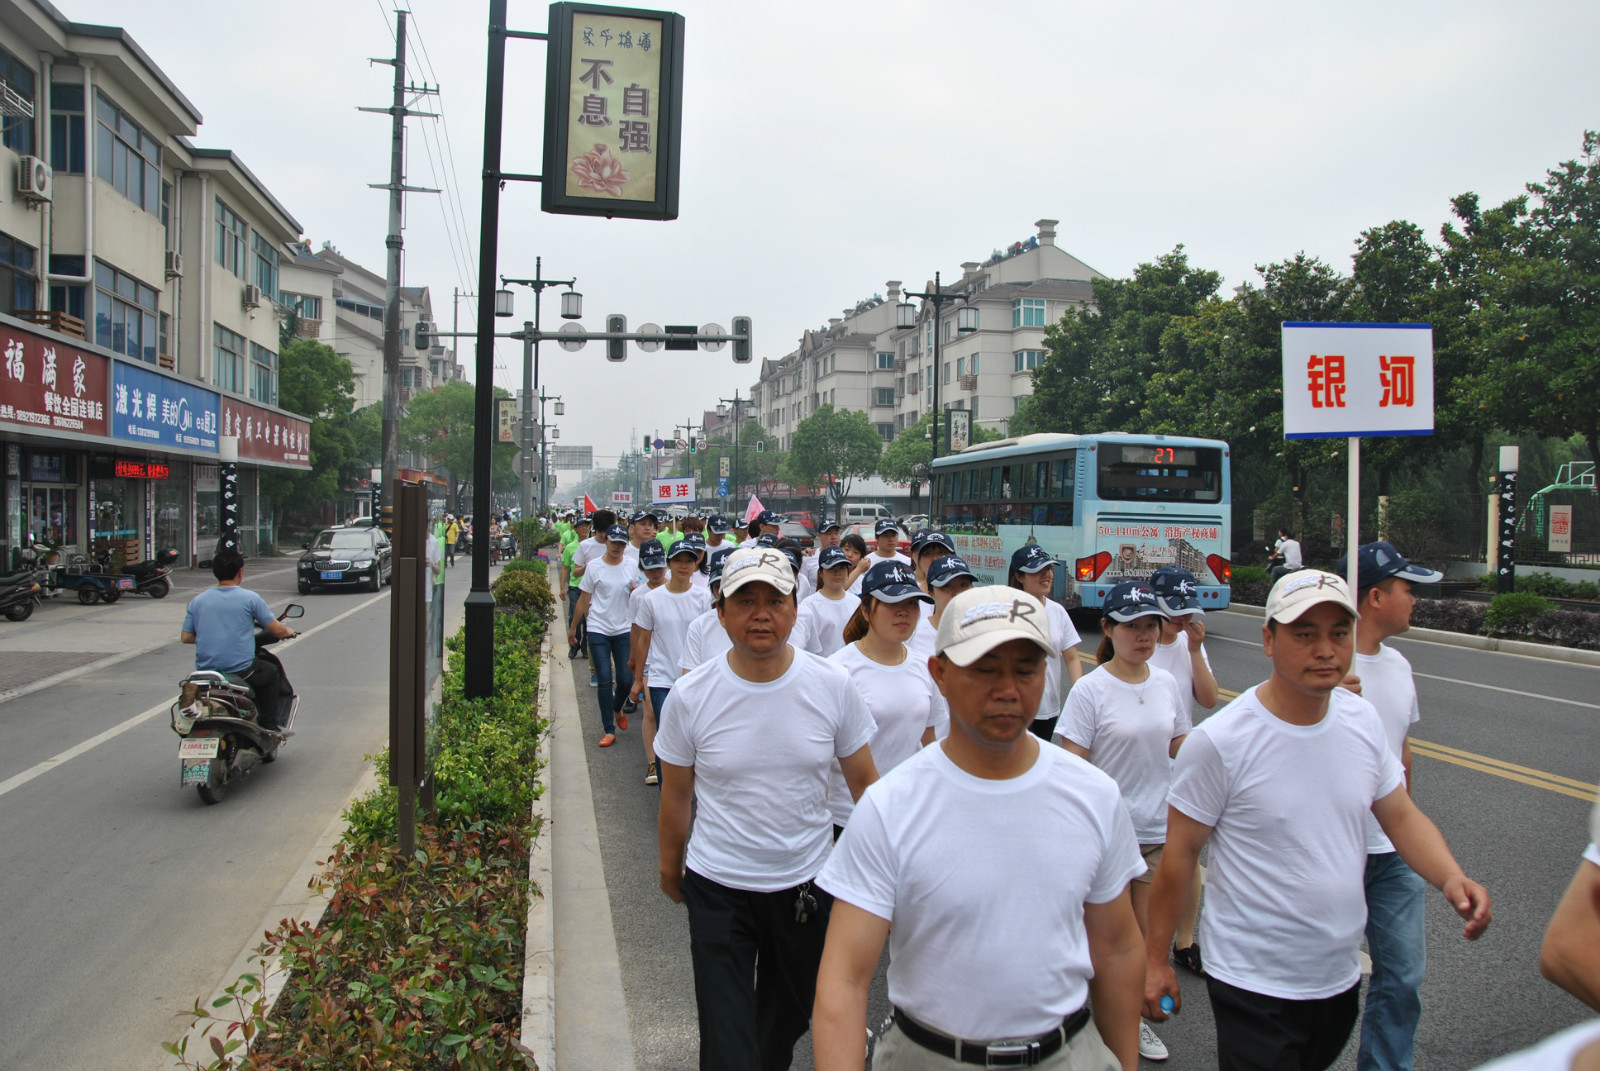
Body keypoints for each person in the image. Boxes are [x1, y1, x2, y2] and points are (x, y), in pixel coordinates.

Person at [1143, 570, 1492, 1071]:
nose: (1325, 649)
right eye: (1304, 634)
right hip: (1251, 979)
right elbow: (1178, 857)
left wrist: (1452, 877)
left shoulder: (1362, 721)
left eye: (1338, 634)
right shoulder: (1221, 742)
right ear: (1268, 639)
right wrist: (1156, 961)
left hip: (1336, 976)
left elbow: (1399, 815)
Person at [813, 584, 1146, 1071]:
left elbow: (1116, 949)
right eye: (985, 669)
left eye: (1026, 669)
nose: (1008, 689)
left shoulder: (1094, 795)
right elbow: (843, 978)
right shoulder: (891, 806)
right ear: (939, 675)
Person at [655, 546, 881, 1071]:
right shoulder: (691, 695)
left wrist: (881, 874)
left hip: (804, 885)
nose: (762, 613)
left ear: (794, 610)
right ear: (721, 613)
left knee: (784, 1025)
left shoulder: (832, 685)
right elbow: (677, 793)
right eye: (746, 600)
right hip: (718, 887)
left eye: (775, 600)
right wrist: (671, 864)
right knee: (728, 1038)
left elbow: (866, 784)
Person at [1058, 580, 1190, 1063]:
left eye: (1151, 625)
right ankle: (1095, 1020)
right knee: (1107, 940)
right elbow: (1073, 765)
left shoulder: (1168, 684)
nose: (1144, 635)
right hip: (1107, 837)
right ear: (1109, 629)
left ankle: (1129, 1020)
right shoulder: (1090, 690)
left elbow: (1181, 746)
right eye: (1132, 626)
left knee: (1142, 938)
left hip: (1156, 831)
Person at [1327, 540, 1441, 1071]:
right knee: (1319, 985)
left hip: (1393, 854)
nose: (1414, 599)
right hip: (1335, 850)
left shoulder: (1399, 667)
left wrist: (1406, 825)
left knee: (1403, 977)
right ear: (1375, 596)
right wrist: (1326, 699)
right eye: (1406, 589)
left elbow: (1402, 752)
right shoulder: (1326, 667)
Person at [828, 561, 945, 836]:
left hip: (909, 813)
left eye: (912, 603)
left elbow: (929, 744)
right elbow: (817, 758)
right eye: (892, 603)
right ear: (867, 610)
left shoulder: (924, 667)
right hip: (847, 817)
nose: (904, 612)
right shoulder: (837, 670)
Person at [1147, 566, 1218, 976]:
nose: (1180, 620)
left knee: (1187, 853)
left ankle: (1185, 940)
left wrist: (1193, 651)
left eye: (1187, 611)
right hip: (1141, 761)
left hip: (1181, 759)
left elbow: (1208, 699)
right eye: (1173, 610)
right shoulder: (1141, 640)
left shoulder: (1189, 643)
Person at [179, 548, 298, 730]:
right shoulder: (250, 599)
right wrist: (288, 631)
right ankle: (269, 725)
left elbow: (186, 637)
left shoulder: (197, 601)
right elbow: (276, 629)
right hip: (242, 670)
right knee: (271, 672)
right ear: (240, 572)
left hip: (206, 671)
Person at [632, 538, 705, 787]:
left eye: (689, 561)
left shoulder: (704, 599)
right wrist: (637, 679)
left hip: (695, 679)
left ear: (695, 565)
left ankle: (691, 783)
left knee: (692, 735)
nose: (683, 566)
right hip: (662, 679)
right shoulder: (652, 599)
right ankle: (668, 788)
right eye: (678, 561)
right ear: (669, 564)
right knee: (667, 733)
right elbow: (643, 641)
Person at [569, 524, 636, 747]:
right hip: (598, 627)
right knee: (605, 679)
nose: (617, 547)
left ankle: (617, 707)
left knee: (626, 679)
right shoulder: (594, 567)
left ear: (626, 545)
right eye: (613, 542)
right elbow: (583, 598)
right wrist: (573, 628)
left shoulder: (632, 566)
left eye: (621, 543)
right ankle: (609, 728)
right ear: (605, 542)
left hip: (624, 628)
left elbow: (641, 595)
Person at [1008, 545, 1083, 741]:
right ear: (1020, 576)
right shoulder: (1007, 611)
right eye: (1037, 571)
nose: (1046, 575)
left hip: (1049, 708)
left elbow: (1072, 657)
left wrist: (1081, 696)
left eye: (1048, 569)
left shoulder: (1057, 611)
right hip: (1014, 707)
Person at [794, 546, 859, 658]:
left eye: (842, 568)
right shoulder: (809, 605)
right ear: (820, 573)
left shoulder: (857, 602)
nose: (837, 573)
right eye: (831, 568)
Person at [681, 549, 734, 674]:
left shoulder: (763, 623)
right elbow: (689, 676)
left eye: (731, 584)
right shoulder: (699, 626)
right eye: (718, 586)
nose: (724, 592)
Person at [563, 516, 591, 660]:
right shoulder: (570, 547)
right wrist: (562, 588)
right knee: (575, 617)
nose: (584, 528)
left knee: (588, 620)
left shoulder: (596, 545)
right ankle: (574, 646)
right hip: (575, 586)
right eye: (581, 526)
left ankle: (586, 648)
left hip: (590, 588)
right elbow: (565, 568)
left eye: (587, 525)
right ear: (575, 529)